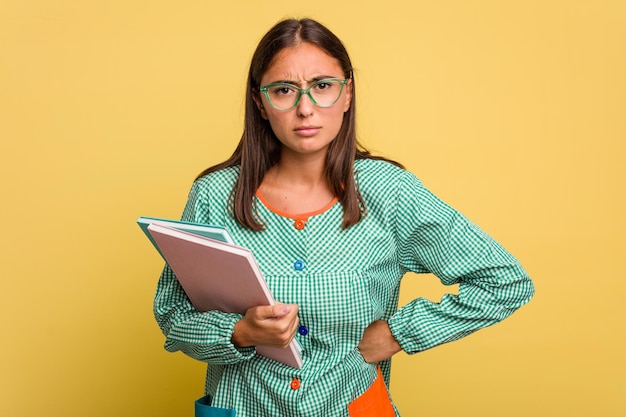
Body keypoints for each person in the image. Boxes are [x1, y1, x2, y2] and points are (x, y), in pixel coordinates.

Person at [153, 17, 534, 417]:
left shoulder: (389, 191)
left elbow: (504, 281)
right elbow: (172, 314)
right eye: (284, 90)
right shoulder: (215, 194)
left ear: (347, 94)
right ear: (259, 102)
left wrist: (399, 333)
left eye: (322, 87)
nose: (305, 108)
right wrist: (239, 332)